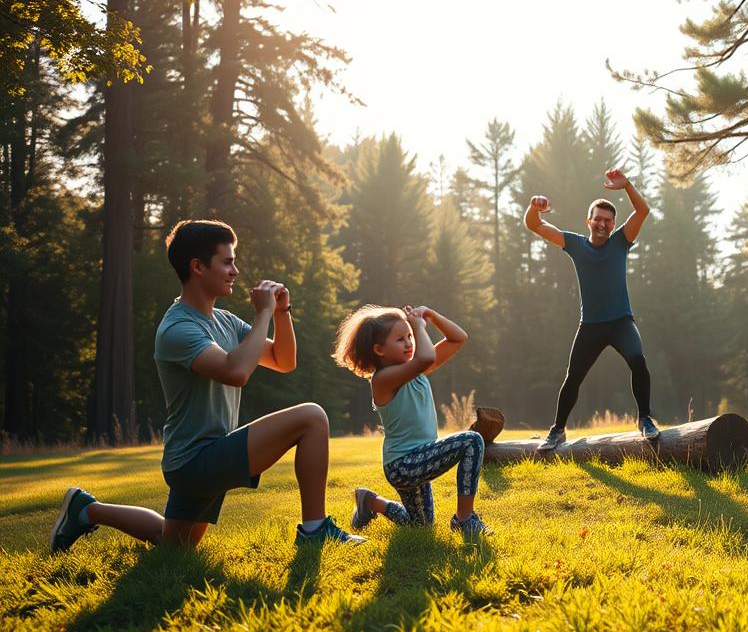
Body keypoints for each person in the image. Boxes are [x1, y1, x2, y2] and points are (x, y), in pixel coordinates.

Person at [51, 219, 363, 553]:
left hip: (204, 455)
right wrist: (263, 314)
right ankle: (315, 531)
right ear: (197, 267)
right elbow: (236, 371)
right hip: (196, 460)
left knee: (173, 545)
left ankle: (85, 509)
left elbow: (284, 361)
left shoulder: (226, 321)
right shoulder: (177, 329)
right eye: (227, 262)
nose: (235, 271)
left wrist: (282, 312)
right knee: (312, 417)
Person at [525, 168, 656, 451]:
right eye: (598, 219)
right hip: (591, 326)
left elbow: (643, 210)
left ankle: (645, 418)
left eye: (608, 221)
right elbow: (534, 226)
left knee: (638, 360)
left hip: (621, 322)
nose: (602, 224)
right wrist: (535, 208)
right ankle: (558, 430)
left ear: (613, 224)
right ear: (589, 221)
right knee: (573, 377)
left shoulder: (621, 241)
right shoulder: (574, 244)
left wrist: (628, 186)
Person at [333, 304, 490, 535]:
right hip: (404, 464)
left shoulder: (415, 370)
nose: (409, 342)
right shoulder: (383, 380)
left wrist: (432, 315)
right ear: (379, 349)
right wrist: (417, 326)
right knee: (472, 441)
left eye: (409, 336)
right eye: (400, 339)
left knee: (421, 525)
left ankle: (371, 502)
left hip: (418, 458)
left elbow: (458, 338)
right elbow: (425, 357)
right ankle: (465, 519)